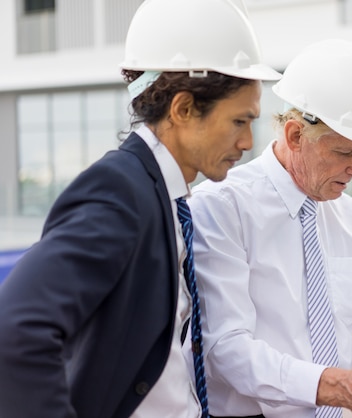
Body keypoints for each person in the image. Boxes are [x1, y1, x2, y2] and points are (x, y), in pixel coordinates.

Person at [0, 0, 281, 417]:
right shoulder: (121, 193)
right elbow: (17, 330)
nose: (248, 142)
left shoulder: (163, 196)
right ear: (183, 109)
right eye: (240, 121)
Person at [185, 39, 352, 418]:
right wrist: (333, 387)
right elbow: (227, 350)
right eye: (345, 153)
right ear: (295, 136)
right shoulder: (222, 207)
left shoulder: (344, 213)